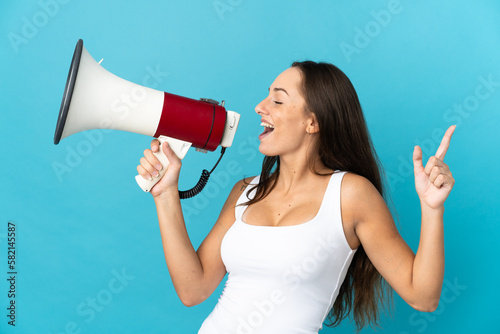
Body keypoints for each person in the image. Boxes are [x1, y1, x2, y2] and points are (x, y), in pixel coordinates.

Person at [137, 61, 455, 334]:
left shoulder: (351, 195)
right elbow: (193, 289)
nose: (260, 107)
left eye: (277, 101)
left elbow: (422, 297)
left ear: (312, 122)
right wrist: (165, 194)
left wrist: (431, 208)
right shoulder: (245, 192)